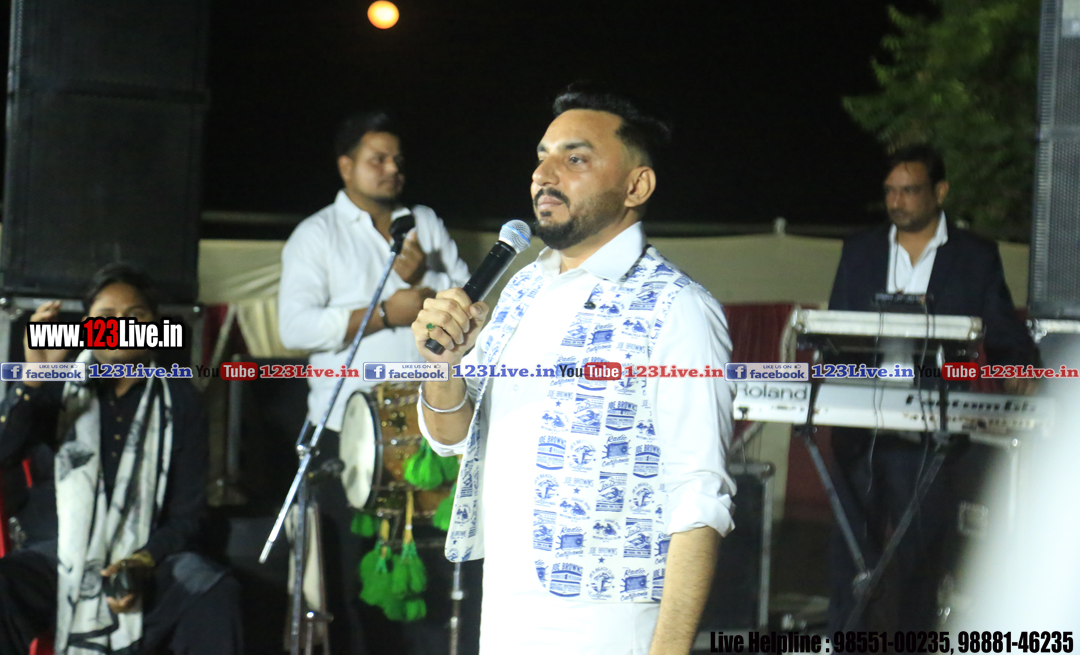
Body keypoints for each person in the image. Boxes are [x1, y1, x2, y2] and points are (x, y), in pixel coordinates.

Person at [412, 85, 736, 655]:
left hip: (604, 621)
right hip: (504, 603)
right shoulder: (522, 288)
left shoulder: (676, 307)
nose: (544, 174)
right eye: (542, 156)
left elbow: (700, 497)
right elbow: (452, 438)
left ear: (636, 186)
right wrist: (443, 366)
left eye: (575, 158)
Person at [277, 111, 470, 654]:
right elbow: (294, 328)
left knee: (434, 577)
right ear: (346, 167)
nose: (392, 169)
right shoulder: (316, 234)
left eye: (397, 160)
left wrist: (425, 280)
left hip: (426, 429)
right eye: (377, 159)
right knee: (351, 586)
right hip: (348, 434)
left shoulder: (423, 222)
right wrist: (386, 312)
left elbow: (468, 298)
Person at [826, 144, 1038, 631]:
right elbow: (836, 332)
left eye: (909, 191)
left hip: (932, 431)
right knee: (850, 550)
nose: (896, 202)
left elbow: (1001, 330)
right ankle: (846, 638)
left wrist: (1020, 366)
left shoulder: (975, 256)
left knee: (920, 555)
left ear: (939, 192)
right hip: (861, 425)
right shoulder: (859, 250)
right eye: (890, 192)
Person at [0, 263, 242, 655]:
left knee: (214, 591)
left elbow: (188, 516)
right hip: (57, 556)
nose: (121, 326)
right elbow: (4, 451)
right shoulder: (54, 388)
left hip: (147, 557)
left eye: (136, 315)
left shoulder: (180, 400)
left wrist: (141, 562)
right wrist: (34, 377)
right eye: (106, 316)